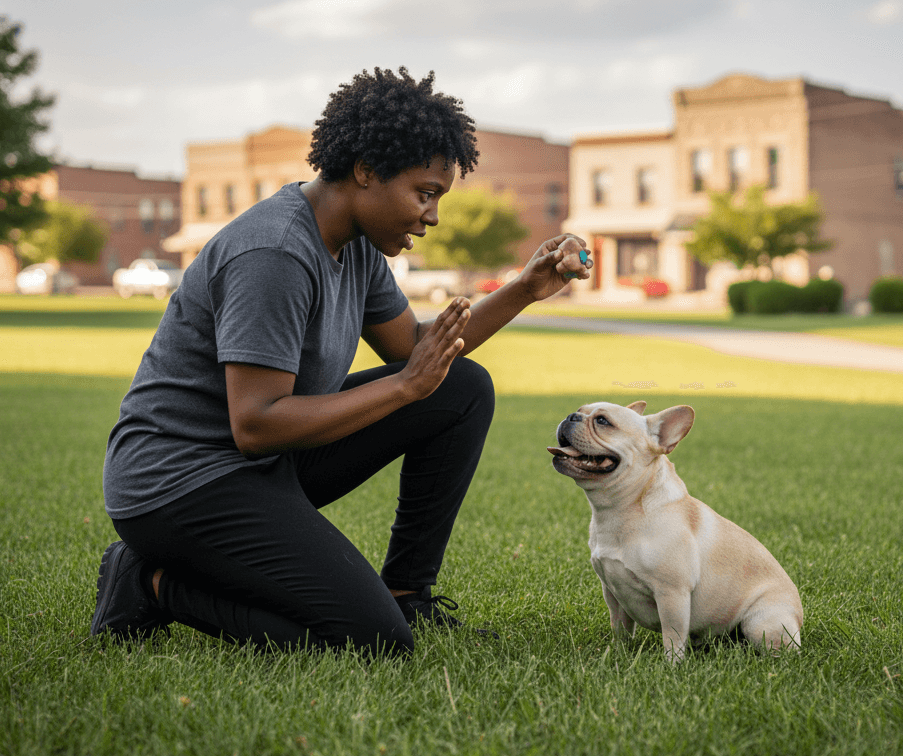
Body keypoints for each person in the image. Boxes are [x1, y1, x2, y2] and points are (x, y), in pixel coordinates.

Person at [90, 67, 591, 656]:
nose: (432, 215)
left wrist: (525, 288)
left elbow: (416, 350)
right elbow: (254, 425)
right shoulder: (275, 253)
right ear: (365, 172)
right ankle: (147, 582)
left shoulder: (354, 244)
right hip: (180, 484)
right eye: (424, 192)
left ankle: (408, 593)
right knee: (370, 641)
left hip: (263, 461)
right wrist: (405, 387)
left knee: (462, 388)